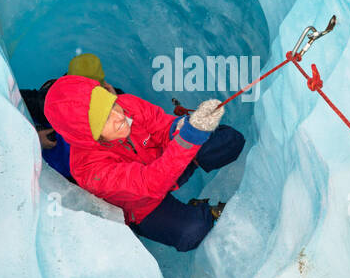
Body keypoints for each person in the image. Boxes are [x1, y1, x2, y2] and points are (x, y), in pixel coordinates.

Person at [43, 74, 245, 250]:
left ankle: (192, 161)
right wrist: (189, 139)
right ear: (87, 132)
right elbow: (149, 184)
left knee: (228, 141)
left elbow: (163, 127)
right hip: (144, 205)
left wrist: (184, 126)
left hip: (166, 161)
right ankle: (206, 213)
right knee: (191, 232)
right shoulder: (88, 169)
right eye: (104, 119)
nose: (119, 116)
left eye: (112, 105)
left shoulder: (127, 105)